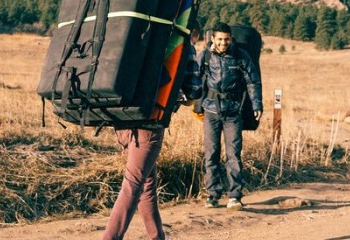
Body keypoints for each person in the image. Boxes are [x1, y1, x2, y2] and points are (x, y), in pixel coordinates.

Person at [102, 36, 202, 240]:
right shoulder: (184, 45)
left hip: (121, 119)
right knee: (133, 184)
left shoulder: (141, 37)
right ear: (195, 34)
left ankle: (157, 236)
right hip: (149, 123)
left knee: (147, 184)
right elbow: (193, 92)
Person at [193, 22, 263, 210]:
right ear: (213, 39)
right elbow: (194, 77)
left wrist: (256, 104)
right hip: (211, 111)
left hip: (233, 111)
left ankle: (234, 196)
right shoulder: (206, 56)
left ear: (231, 38)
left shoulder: (241, 56)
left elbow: (252, 81)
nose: (223, 43)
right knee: (211, 154)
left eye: (227, 39)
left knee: (233, 155)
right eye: (220, 40)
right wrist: (191, 101)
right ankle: (212, 195)